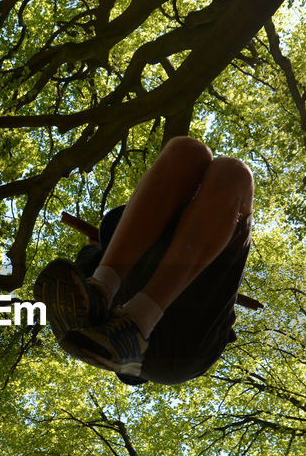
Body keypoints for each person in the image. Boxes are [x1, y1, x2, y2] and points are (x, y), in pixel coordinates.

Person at [33, 136, 253, 385]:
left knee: (194, 154)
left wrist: (94, 250)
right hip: (179, 349)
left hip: (159, 349)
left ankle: (123, 309)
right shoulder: (122, 248)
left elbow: (85, 261)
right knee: (226, 170)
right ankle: (109, 297)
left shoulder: (207, 227)